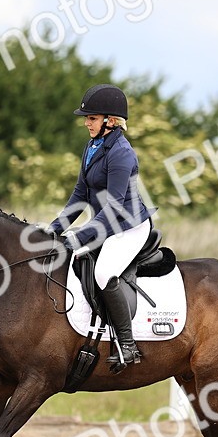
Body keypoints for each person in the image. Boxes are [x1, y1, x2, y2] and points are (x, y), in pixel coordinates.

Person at [49, 83, 155, 372]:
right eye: (87, 118)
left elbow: (115, 209)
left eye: (92, 118)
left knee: (104, 272)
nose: (86, 123)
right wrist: (55, 228)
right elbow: (80, 194)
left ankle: (127, 345)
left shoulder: (121, 154)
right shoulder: (92, 146)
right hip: (104, 223)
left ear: (110, 120)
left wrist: (78, 236)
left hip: (128, 227)